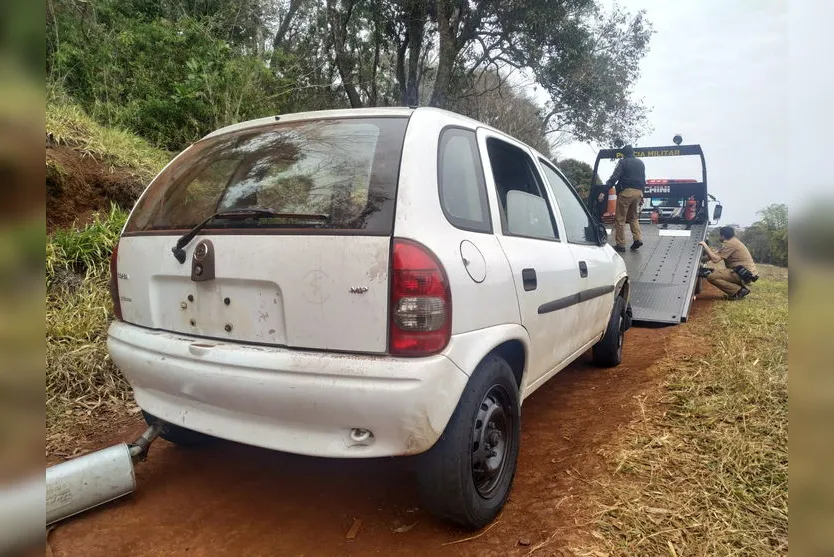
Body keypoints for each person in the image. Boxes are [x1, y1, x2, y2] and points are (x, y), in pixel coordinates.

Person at [698, 226, 758, 300]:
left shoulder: (730, 244)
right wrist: (700, 260)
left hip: (743, 273)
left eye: (720, 235)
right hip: (743, 272)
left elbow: (715, 260)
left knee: (711, 276)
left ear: (723, 235)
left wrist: (705, 246)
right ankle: (739, 289)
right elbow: (714, 255)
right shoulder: (733, 241)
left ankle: (739, 291)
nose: (719, 237)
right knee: (712, 272)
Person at [607, 145, 646, 252]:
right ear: (633, 152)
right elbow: (643, 179)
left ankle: (620, 244)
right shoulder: (640, 163)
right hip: (638, 192)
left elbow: (616, 175)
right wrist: (642, 194)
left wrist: (608, 185)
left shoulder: (623, 162)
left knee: (620, 219)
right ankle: (637, 239)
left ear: (624, 153)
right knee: (633, 217)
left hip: (626, 192)